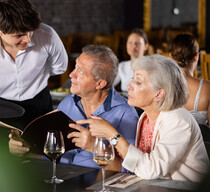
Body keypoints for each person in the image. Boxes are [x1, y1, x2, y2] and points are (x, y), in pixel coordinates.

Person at [78, 55, 209, 182]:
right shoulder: (146, 116)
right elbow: (136, 164)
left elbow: (151, 170)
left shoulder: (178, 120)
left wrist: (112, 134)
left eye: (138, 82)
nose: (129, 86)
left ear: (159, 94)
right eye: (132, 79)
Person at [9, 45, 139, 171]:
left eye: (80, 71)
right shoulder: (66, 104)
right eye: (75, 67)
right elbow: (53, 156)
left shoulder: (126, 114)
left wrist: (94, 147)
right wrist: (24, 151)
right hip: (61, 178)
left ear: (100, 83)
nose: (71, 74)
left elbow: (129, 171)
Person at [0, 0, 68, 155]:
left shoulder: (48, 35)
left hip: (39, 105)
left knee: (47, 162)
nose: (27, 39)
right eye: (19, 35)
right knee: (1, 167)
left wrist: (36, 78)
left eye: (30, 32)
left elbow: (59, 67)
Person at [170, 34, 210, 138]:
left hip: (170, 152)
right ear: (196, 56)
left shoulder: (162, 87)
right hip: (202, 151)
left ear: (171, 56)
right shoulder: (209, 88)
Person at [113, 28, 149, 92]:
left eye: (137, 43)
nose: (133, 46)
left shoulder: (150, 68)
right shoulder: (122, 66)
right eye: (130, 42)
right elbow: (109, 85)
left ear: (146, 46)